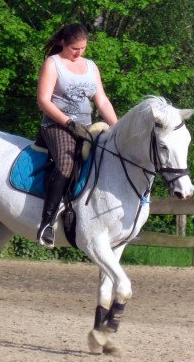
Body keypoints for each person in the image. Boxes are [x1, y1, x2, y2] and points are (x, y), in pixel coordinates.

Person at [36, 23, 118, 248]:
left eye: (83, 48)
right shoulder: (53, 64)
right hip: (56, 126)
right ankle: (47, 222)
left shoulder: (91, 66)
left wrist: (117, 127)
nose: (79, 53)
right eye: (75, 49)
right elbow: (43, 101)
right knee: (66, 163)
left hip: (87, 126)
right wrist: (69, 123)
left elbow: (101, 99)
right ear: (63, 42)